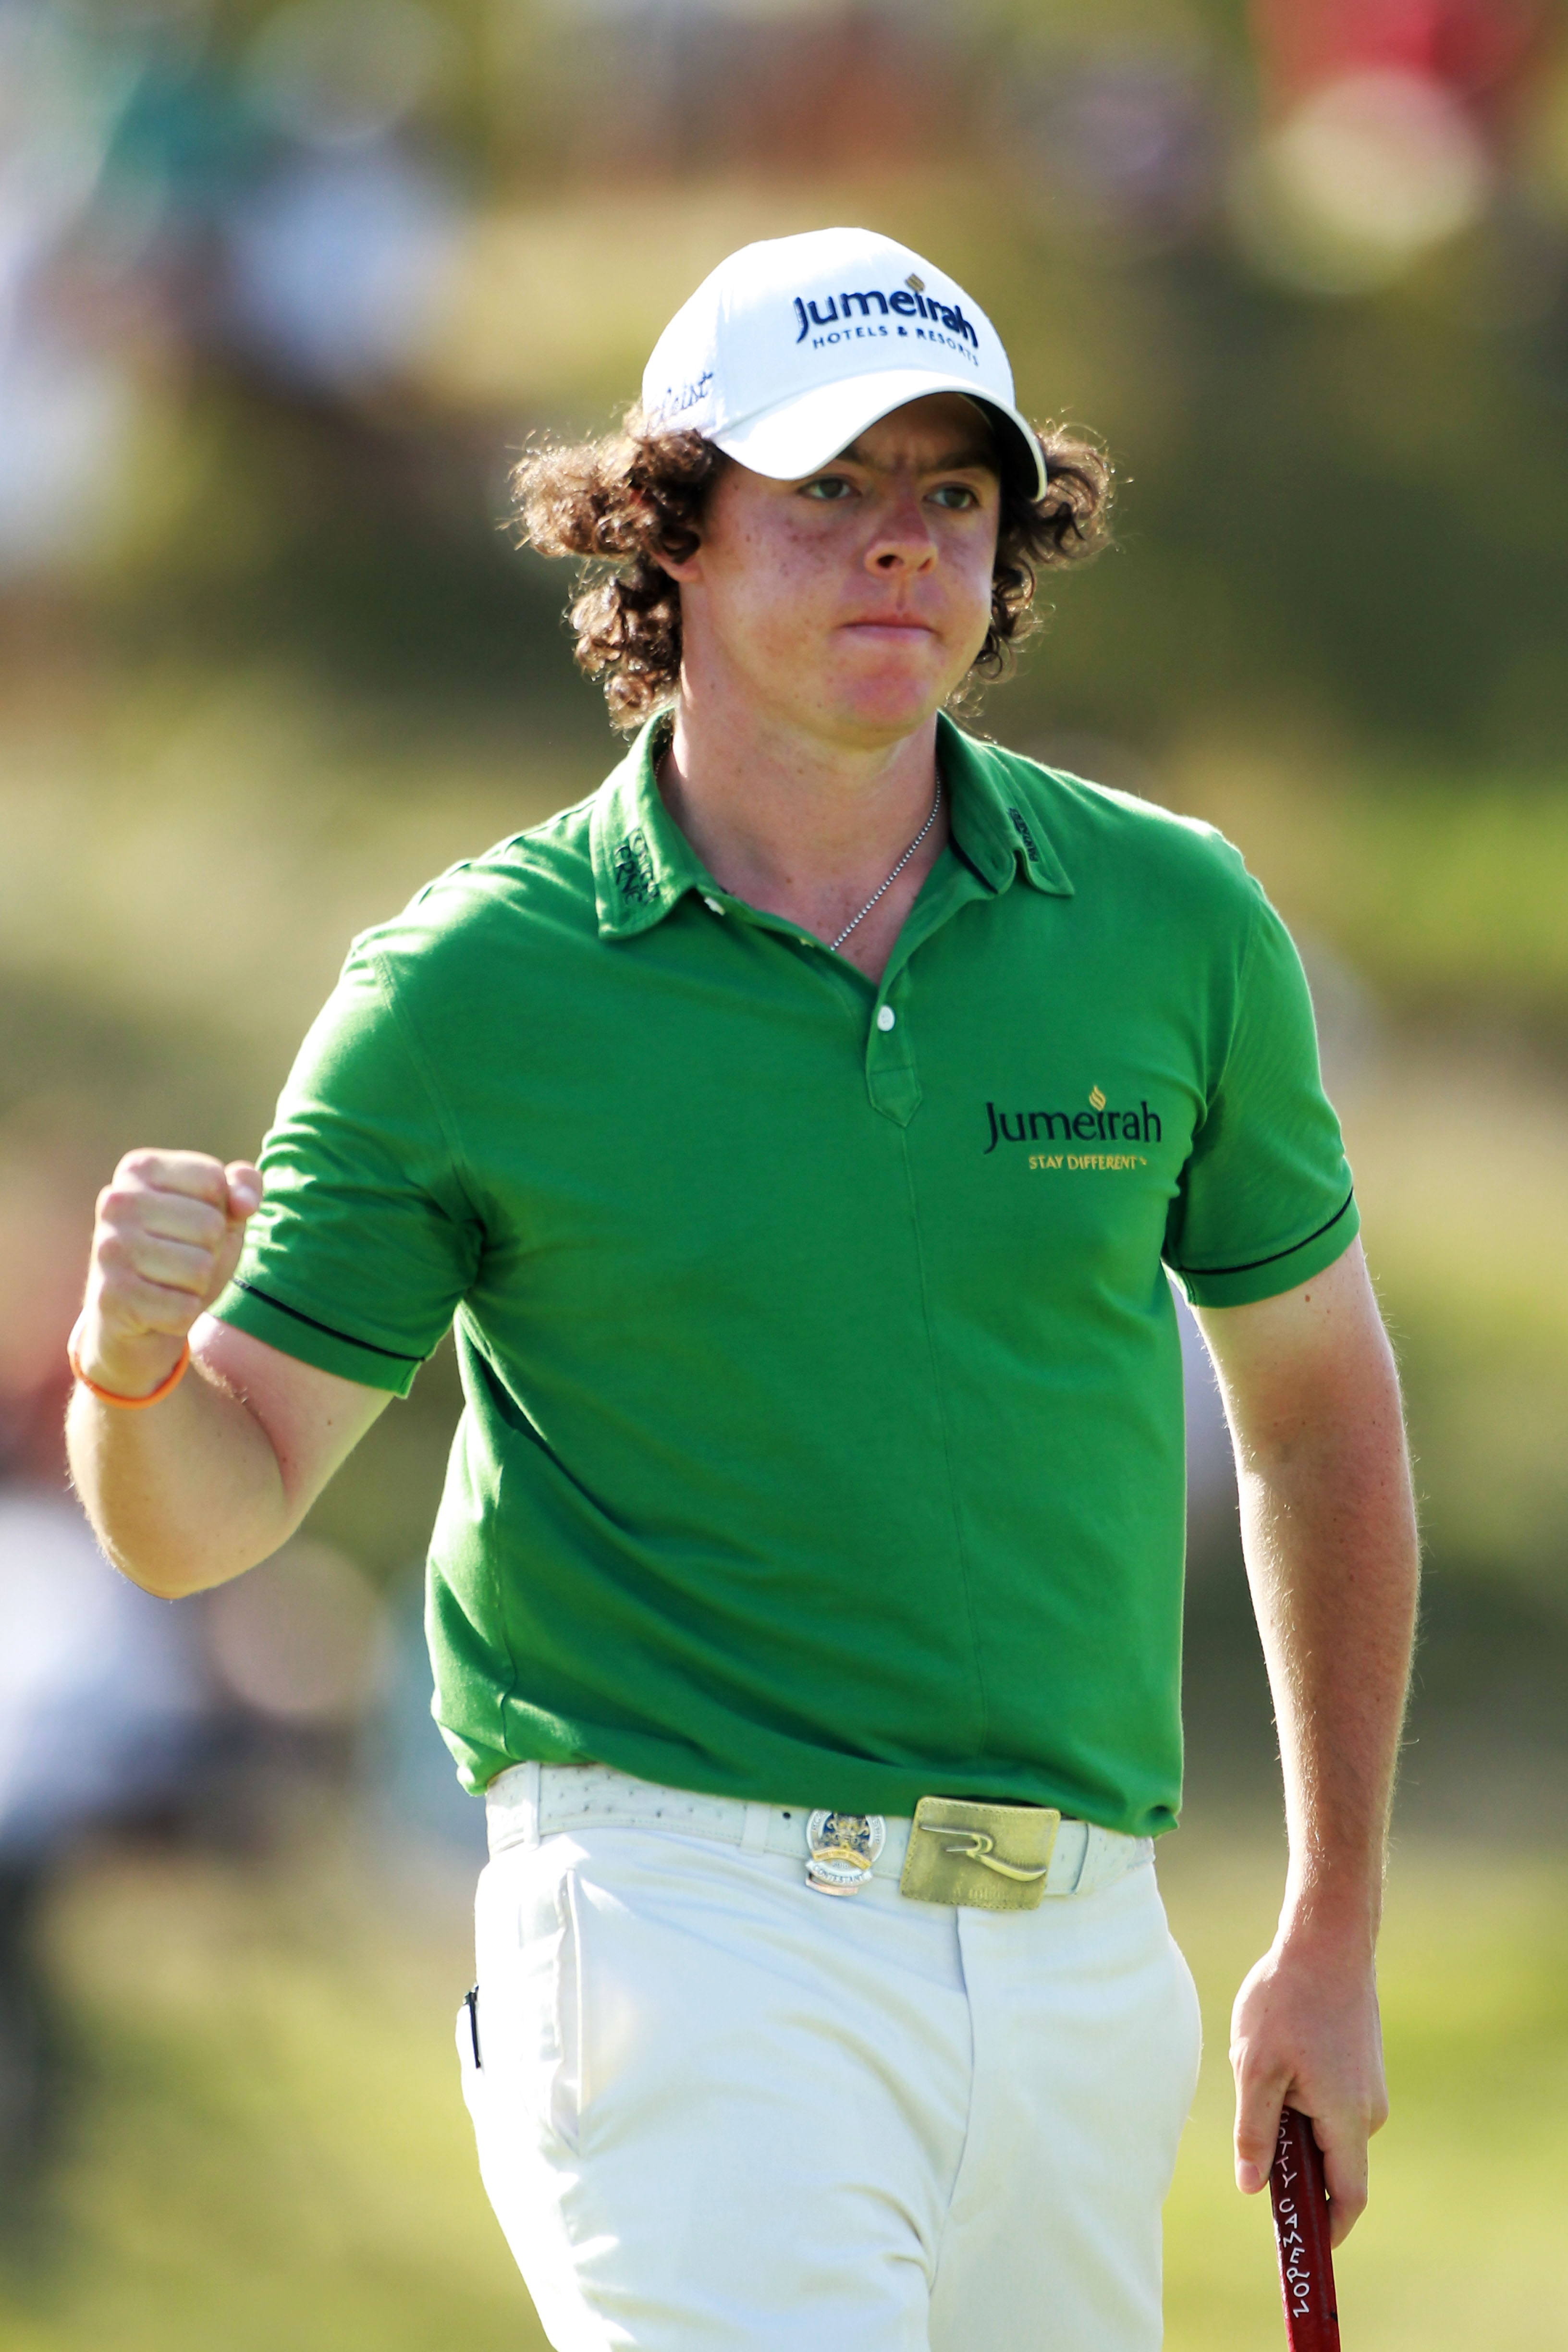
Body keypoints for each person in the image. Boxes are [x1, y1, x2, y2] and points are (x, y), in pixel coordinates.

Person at [66, 227, 1419, 2352]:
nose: (902, 545)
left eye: (951, 494)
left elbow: (1321, 1422)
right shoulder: (473, 988)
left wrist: (1330, 1923)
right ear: (668, 531)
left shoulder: (1173, 922)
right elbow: (205, 1508)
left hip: (1076, 1951)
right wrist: (133, 1369)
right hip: (680, 1931)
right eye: (830, 488)